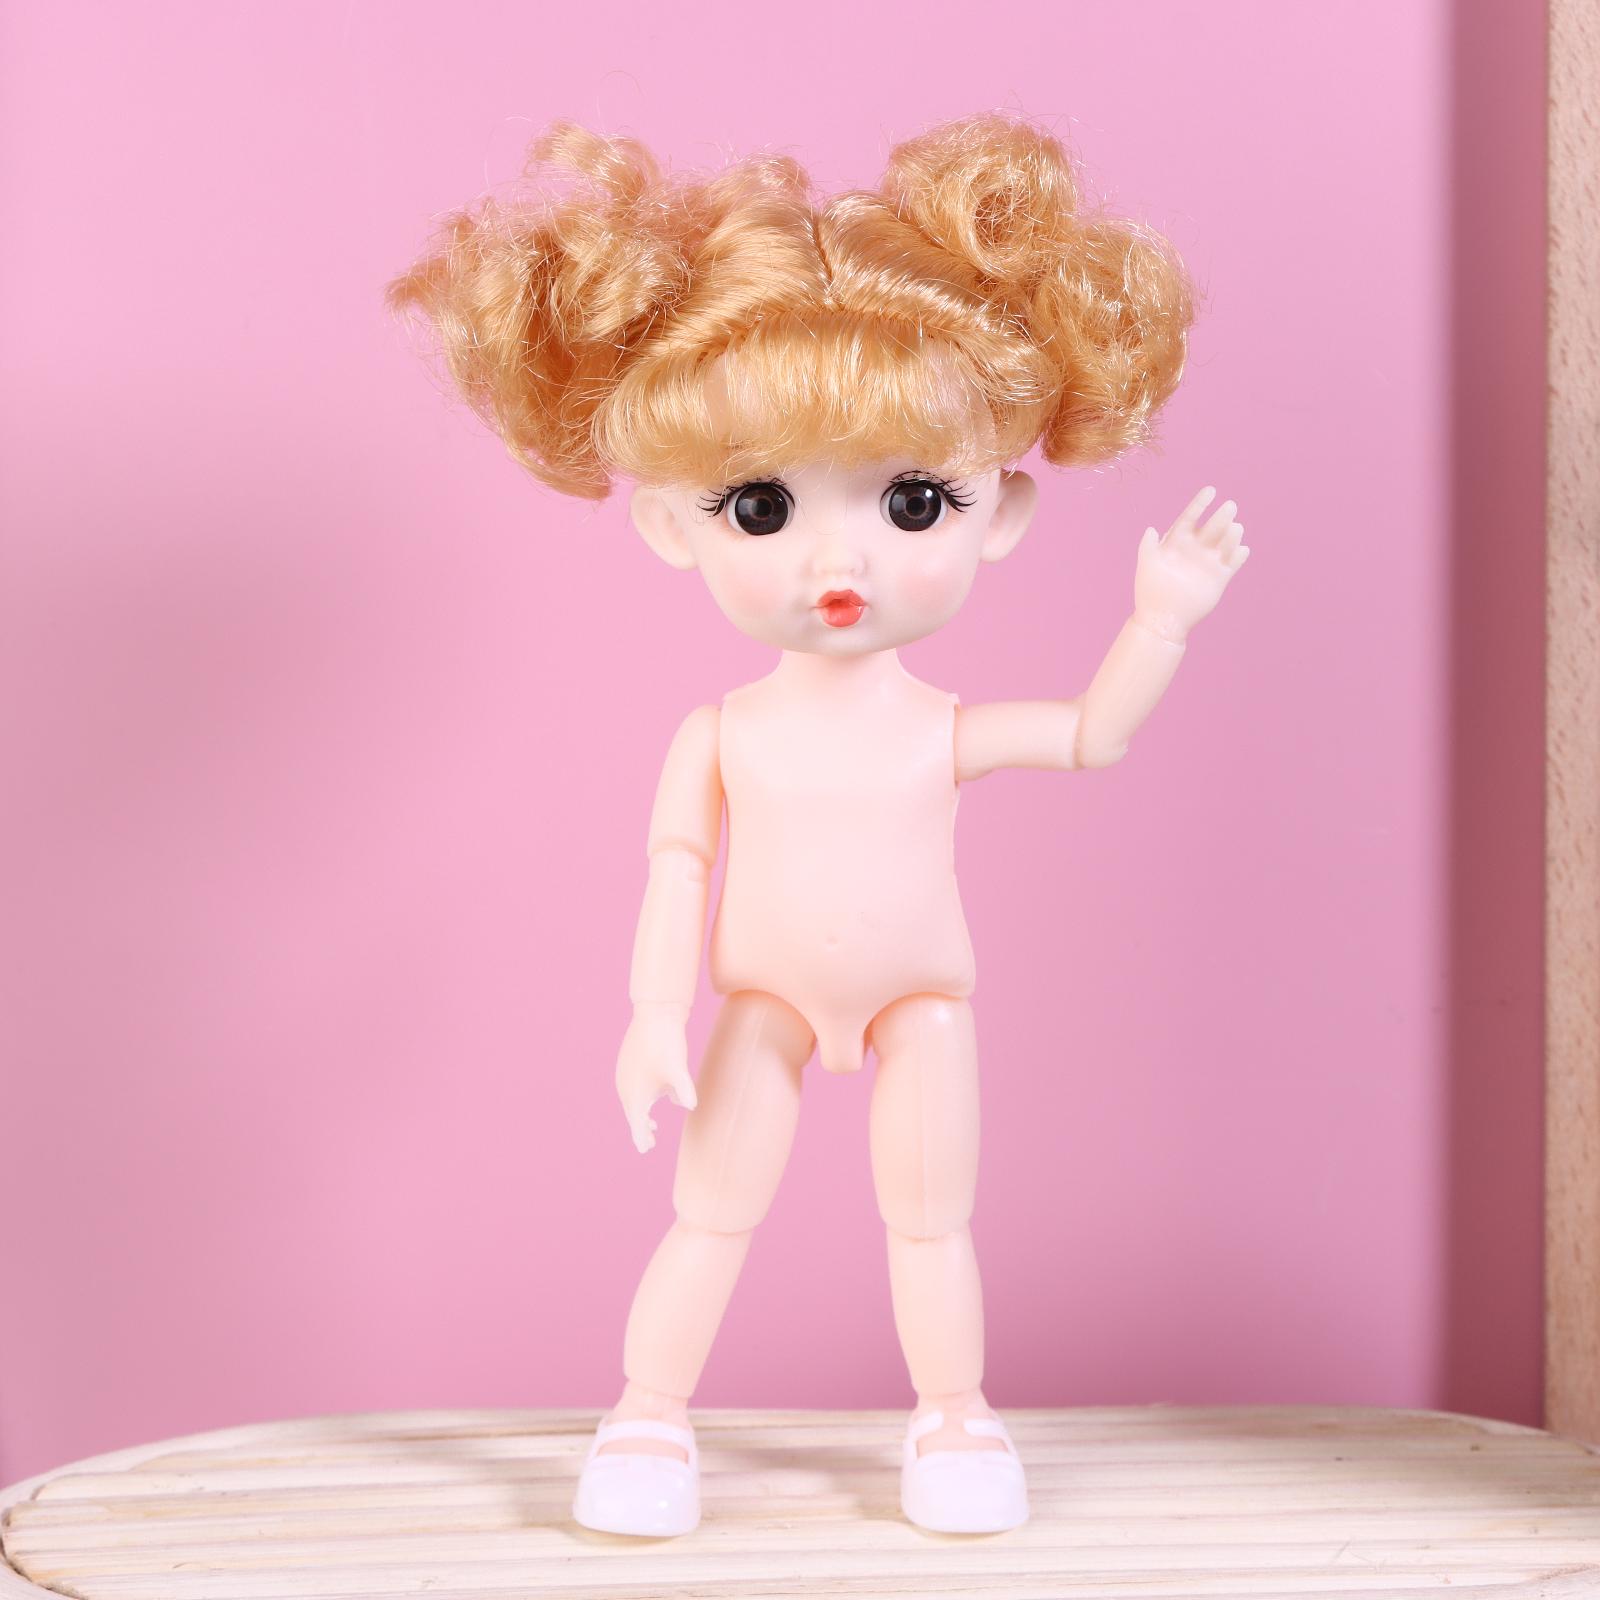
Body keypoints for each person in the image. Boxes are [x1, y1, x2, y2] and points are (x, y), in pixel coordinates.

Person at [388, 111, 1249, 1538]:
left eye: (913, 500)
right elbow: (677, 870)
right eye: (759, 506)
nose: (836, 560)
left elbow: (1090, 737)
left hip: (919, 1002)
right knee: (711, 1214)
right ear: (671, 525)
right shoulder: (722, 733)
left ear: (1002, 513)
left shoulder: (938, 726)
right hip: (764, 1003)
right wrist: (649, 1013)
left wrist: (1160, 621)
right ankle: (647, 1418)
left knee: (932, 1220)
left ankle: (953, 1415)